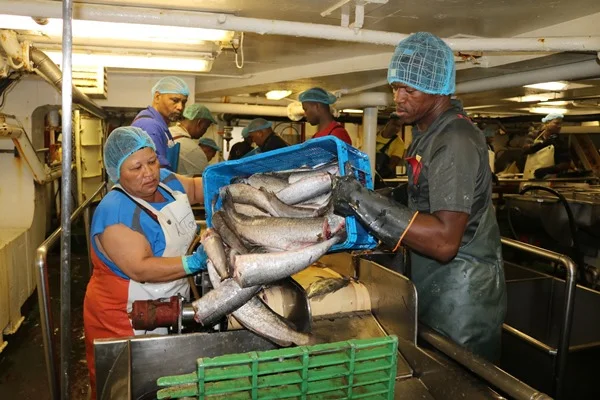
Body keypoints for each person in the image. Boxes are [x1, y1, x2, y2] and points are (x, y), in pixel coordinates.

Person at [331, 32, 506, 362]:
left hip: (462, 300)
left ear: (438, 88)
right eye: (395, 87)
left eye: (409, 90)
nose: (398, 98)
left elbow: (444, 241)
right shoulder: (429, 134)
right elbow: (423, 197)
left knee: (458, 379)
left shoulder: (454, 140)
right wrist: (379, 197)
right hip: (435, 286)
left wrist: (362, 201)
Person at [84, 126, 208, 399]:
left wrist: (231, 177)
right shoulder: (115, 210)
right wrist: (194, 263)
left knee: (165, 380)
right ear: (117, 172)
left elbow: (196, 189)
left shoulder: (166, 181)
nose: (149, 172)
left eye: (152, 161)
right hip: (124, 314)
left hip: (166, 299)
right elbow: (140, 268)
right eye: (136, 167)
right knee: (128, 387)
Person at [132, 76, 189, 170]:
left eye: (183, 102)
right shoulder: (150, 126)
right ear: (157, 97)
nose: (180, 107)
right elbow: (156, 172)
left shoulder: (160, 126)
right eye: (175, 100)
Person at [170, 104, 216, 176]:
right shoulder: (193, 150)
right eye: (206, 127)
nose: (205, 131)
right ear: (200, 123)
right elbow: (204, 179)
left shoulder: (166, 132)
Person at [522, 113, 570, 179]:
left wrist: (547, 170)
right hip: (529, 176)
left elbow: (565, 163)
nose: (559, 126)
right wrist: (543, 143)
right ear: (547, 123)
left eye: (561, 124)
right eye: (556, 123)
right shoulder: (534, 135)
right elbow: (525, 149)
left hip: (548, 178)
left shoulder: (560, 142)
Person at [375, 112, 405, 179]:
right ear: (388, 122)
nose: (396, 128)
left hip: (386, 179)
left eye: (399, 126)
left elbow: (392, 165)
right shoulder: (374, 136)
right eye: (394, 124)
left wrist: (377, 177)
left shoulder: (399, 143)